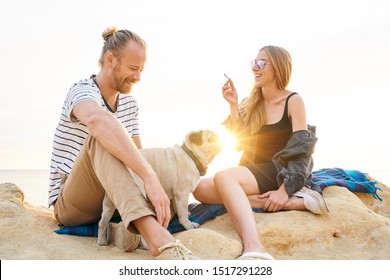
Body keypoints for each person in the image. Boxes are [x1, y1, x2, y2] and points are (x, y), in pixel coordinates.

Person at [48, 27, 198, 260]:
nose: (138, 77)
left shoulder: (129, 105)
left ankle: (121, 229)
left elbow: (139, 156)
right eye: (133, 68)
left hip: (114, 197)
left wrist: (159, 185)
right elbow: (97, 121)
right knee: (102, 136)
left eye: (141, 70)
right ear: (110, 60)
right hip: (73, 203)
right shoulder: (81, 91)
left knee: (133, 155)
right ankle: (157, 239)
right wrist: (149, 177)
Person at [193, 45, 328, 260]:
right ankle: (294, 203)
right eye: (254, 63)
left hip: (278, 170)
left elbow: (302, 150)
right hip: (253, 169)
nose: (255, 68)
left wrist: (284, 190)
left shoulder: (293, 100)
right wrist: (233, 105)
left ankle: (254, 247)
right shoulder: (251, 102)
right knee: (199, 188)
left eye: (262, 63)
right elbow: (238, 143)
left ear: (279, 68)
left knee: (224, 177)